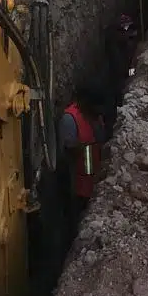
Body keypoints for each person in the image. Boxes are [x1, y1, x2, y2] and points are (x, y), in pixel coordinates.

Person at [57, 81, 109, 240]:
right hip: (77, 189)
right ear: (85, 102)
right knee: (77, 227)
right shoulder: (69, 119)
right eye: (95, 108)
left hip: (95, 181)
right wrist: (84, 146)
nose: (98, 112)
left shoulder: (94, 116)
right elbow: (66, 155)